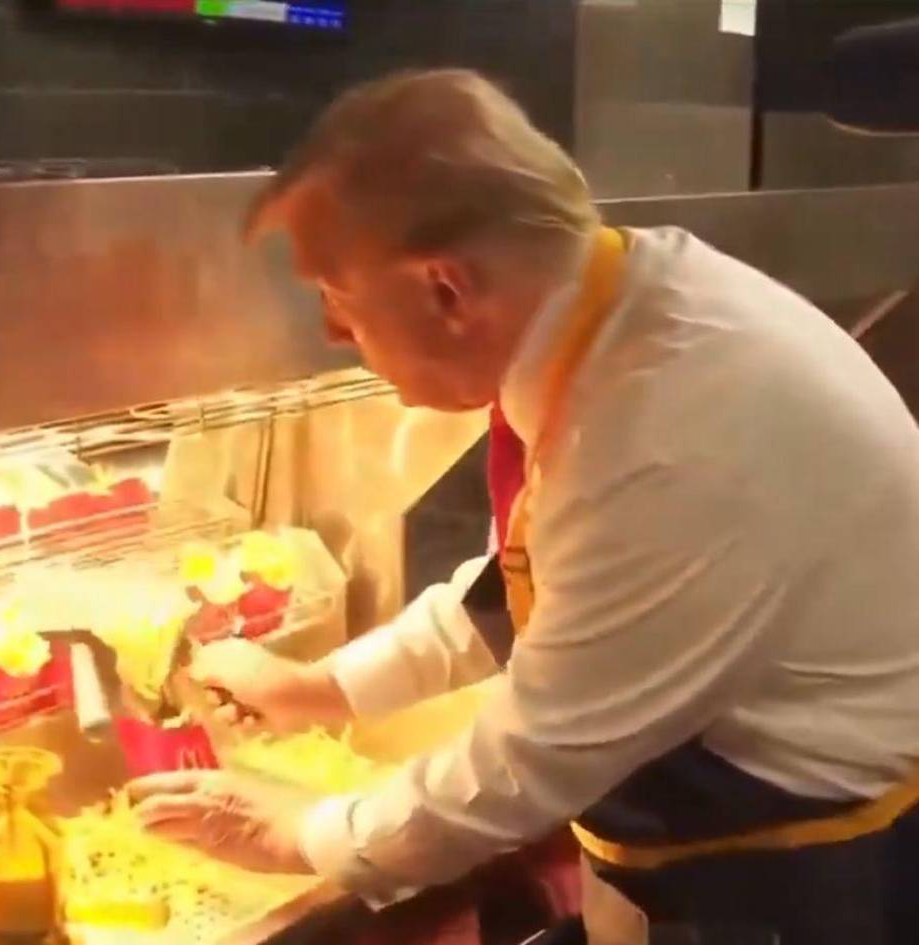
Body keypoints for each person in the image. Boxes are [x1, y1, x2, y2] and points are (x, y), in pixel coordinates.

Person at [130, 69, 919, 945]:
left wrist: (303, 834)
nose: (331, 335)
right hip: (684, 855)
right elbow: (537, 577)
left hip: (788, 886)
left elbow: (538, 753)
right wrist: (322, 689)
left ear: (446, 290)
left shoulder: (667, 429)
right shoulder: (613, 316)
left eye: (336, 296)